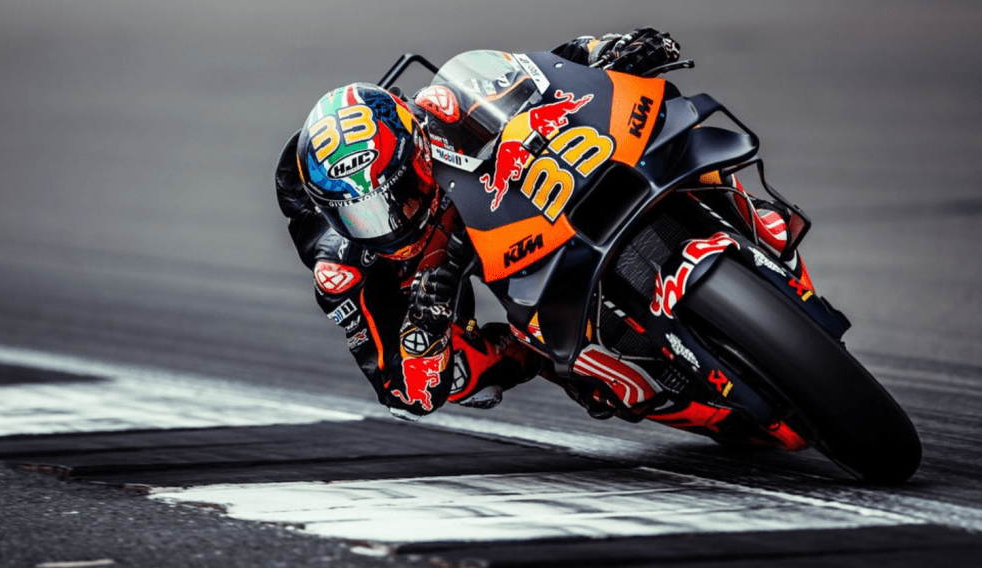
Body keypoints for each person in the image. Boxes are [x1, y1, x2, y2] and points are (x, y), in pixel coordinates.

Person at [274, 28, 809, 441]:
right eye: (366, 215)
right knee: (484, 373)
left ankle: (750, 222)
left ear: (417, 147)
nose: (393, 221)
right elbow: (405, 392)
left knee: (666, 130)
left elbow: (545, 75)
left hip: (511, 203)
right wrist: (430, 316)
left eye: (403, 192)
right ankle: (658, 392)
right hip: (438, 285)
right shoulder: (343, 265)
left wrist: (610, 51)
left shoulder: (436, 110)